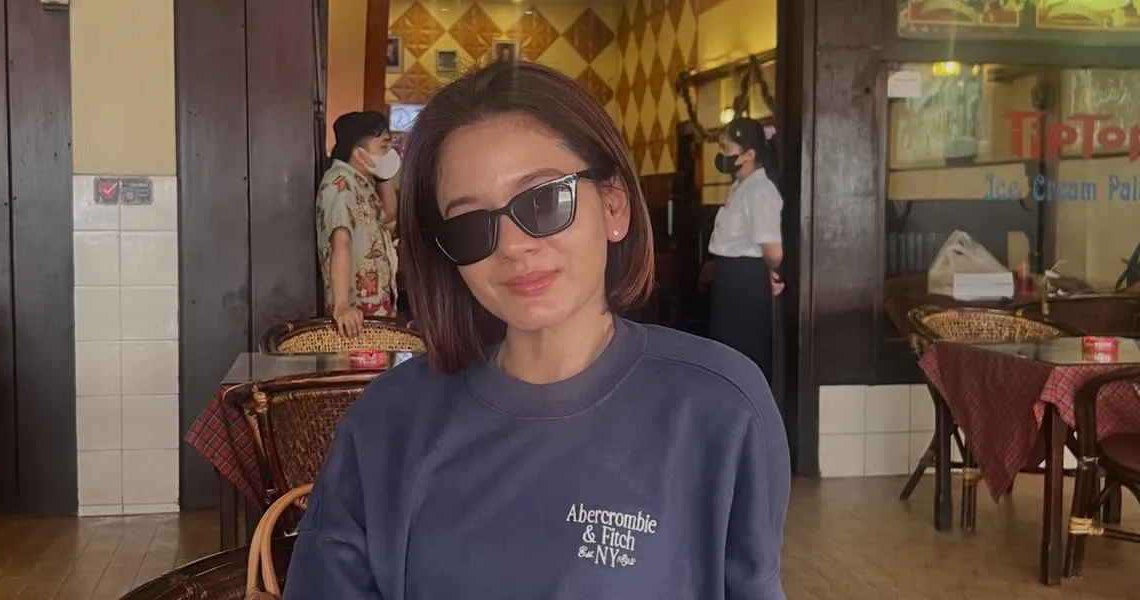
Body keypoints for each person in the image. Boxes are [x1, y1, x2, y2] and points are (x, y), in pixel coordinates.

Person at [284, 62, 790, 600]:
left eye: (545, 200)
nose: (513, 246)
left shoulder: (720, 408)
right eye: (471, 223)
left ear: (613, 206)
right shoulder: (388, 423)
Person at [706, 117, 784, 383]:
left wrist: (770, 271)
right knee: (726, 355)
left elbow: (773, 251)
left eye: (726, 148)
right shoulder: (741, 187)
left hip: (745, 282)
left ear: (748, 155)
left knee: (744, 354)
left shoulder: (759, 191)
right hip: (731, 279)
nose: (722, 155)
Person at [317, 111, 401, 337]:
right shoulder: (340, 183)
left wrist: (383, 175)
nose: (389, 152)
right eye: (384, 146)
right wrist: (342, 305)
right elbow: (341, 240)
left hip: (374, 312)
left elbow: (389, 217)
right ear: (359, 153)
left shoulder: (361, 183)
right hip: (355, 319)